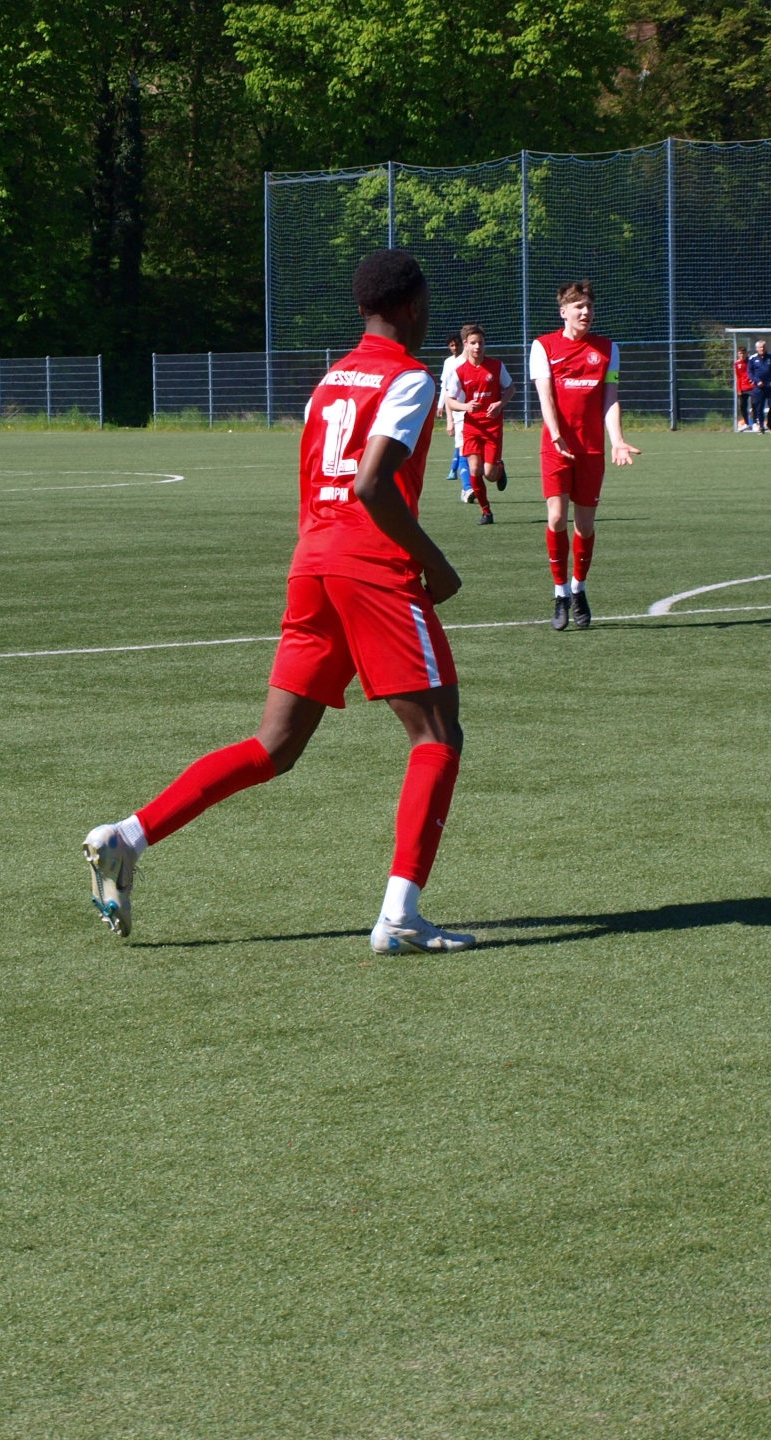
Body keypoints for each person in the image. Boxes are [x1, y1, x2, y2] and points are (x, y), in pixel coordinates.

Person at [83, 248, 475, 954]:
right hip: (369, 566)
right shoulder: (410, 378)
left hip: (314, 562)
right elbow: (371, 485)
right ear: (415, 307)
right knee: (437, 736)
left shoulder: (329, 382)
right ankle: (399, 916)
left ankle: (127, 837)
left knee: (274, 747)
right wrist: (436, 566)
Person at [532, 279, 641, 630]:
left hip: (591, 448)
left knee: (585, 524)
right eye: (578, 307)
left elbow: (610, 399)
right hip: (557, 446)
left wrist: (617, 440)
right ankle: (560, 592)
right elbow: (546, 397)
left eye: (590, 306)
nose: (585, 312)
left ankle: (578, 588)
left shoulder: (608, 349)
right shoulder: (543, 346)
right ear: (563, 312)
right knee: (556, 517)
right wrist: (557, 433)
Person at [450, 323, 511, 525]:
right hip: (472, 427)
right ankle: (486, 512)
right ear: (466, 344)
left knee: (490, 474)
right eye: (473, 343)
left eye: (481, 343)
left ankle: (499, 470)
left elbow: (511, 388)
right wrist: (466, 406)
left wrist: (500, 403)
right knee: (475, 470)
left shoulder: (496, 366)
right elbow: (450, 401)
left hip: (493, 427)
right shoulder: (460, 371)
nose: (478, 347)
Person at [439, 333, 472, 502]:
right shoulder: (451, 364)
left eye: (457, 344)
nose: (455, 348)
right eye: (451, 345)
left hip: (479, 415)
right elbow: (446, 390)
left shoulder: (482, 363)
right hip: (460, 413)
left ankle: (497, 465)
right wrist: (449, 418)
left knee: (486, 466)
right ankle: (467, 488)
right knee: (462, 447)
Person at [746, 340, 771, 433]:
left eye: (764, 347)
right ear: (757, 348)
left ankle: (769, 423)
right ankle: (761, 426)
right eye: (760, 347)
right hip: (759, 387)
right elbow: (750, 373)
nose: (762, 349)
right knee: (759, 408)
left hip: (770, 386)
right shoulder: (753, 359)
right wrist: (757, 381)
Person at [734, 347, 754, 431]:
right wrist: (739, 389)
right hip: (743, 388)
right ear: (738, 354)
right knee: (742, 406)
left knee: (755, 404)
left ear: (746, 354)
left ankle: (756, 423)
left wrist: (754, 381)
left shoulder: (751, 361)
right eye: (740, 353)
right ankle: (746, 423)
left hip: (752, 387)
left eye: (744, 353)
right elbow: (738, 377)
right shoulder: (737, 364)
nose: (742, 355)